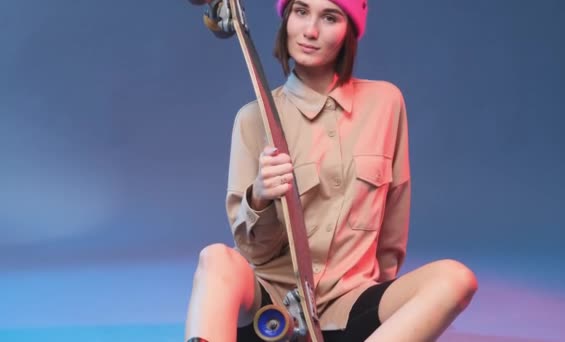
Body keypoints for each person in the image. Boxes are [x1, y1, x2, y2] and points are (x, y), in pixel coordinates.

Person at [185, 0, 478, 341]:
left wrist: (388, 309)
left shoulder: (386, 103)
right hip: (275, 312)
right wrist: (261, 196)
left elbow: (393, 228)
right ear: (287, 18)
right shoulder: (252, 119)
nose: (310, 30)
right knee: (215, 259)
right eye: (301, 12)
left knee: (456, 279)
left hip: (352, 307)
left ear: (349, 30)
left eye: (329, 17)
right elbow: (254, 253)